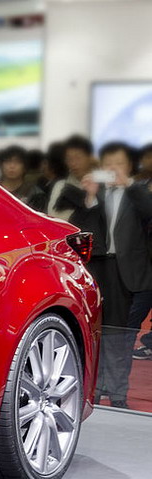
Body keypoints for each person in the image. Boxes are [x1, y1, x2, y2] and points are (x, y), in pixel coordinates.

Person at [68, 142, 152, 408]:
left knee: (121, 336)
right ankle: (95, 389)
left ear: (129, 166)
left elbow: (149, 212)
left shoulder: (138, 192)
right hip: (98, 268)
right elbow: (79, 229)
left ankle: (117, 394)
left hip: (126, 272)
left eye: (119, 163)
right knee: (95, 332)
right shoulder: (95, 193)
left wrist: (129, 185)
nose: (114, 168)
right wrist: (90, 198)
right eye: (109, 163)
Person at [48, 135, 94, 221]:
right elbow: (52, 217)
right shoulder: (60, 186)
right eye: (69, 159)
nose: (73, 163)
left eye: (78, 158)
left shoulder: (101, 186)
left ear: (90, 157)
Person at [0, 145, 46, 211]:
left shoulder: (35, 194)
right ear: (1, 165)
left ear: (25, 167)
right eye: (7, 161)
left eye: (17, 162)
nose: (12, 166)